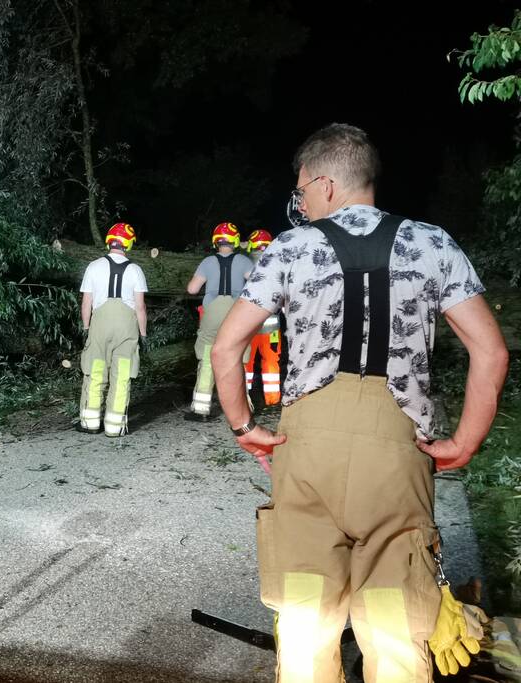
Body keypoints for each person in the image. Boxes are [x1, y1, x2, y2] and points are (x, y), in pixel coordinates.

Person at [211, 123, 509, 681]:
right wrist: (465, 441)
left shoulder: (290, 247)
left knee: (306, 622)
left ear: (326, 184)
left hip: (308, 450)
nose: (300, 202)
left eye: (302, 189)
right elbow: (490, 352)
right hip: (398, 451)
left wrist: (244, 427)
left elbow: (226, 347)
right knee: (396, 627)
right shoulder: (433, 244)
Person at [77, 222, 148, 437]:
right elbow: (140, 307)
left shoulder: (93, 266)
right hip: (126, 327)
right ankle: (114, 426)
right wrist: (143, 334)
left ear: (109, 241)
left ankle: (90, 423)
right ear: (129, 243)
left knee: (95, 370)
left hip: (100, 324)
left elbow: (86, 303)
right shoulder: (135, 270)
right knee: (122, 373)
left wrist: (86, 327)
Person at [184, 222, 254, 418]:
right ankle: (242, 409)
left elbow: (192, 289)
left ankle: (201, 409)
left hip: (212, 312)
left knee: (207, 356)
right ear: (235, 241)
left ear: (216, 241)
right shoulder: (244, 261)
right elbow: (257, 283)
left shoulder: (208, 262)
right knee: (237, 358)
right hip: (236, 312)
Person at [243, 229, 282, 407]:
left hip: (249, 325)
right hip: (271, 326)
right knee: (271, 360)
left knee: (247, 360)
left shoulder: (243, 263)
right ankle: (272, 399)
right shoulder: (277, 264)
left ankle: (245, 397)